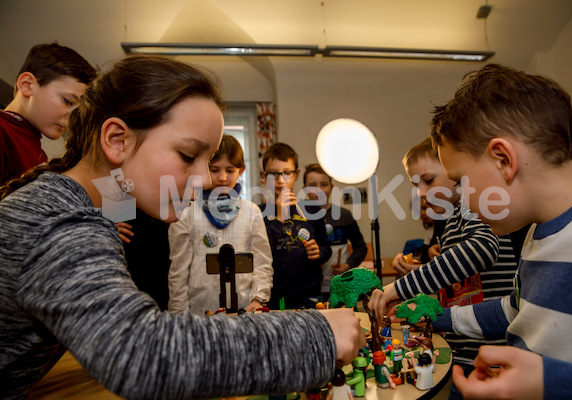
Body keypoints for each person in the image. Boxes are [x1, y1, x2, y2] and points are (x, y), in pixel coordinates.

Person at [0, 55, 365, 400]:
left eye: (208, 162)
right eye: (189, 156)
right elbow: (140, 354)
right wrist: (317, 335)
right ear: (116, 139)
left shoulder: (84, 202)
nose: (206, 179)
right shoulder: (60, 222)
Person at [429, 64, 572, 399]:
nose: (459, 196)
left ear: (503, 159)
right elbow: (515, 310)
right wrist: (436, 317)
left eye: (461, 180)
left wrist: (554, 382)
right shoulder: (535, 234)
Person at [370, 136, 519, 398]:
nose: (422, 193)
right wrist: (419, 279)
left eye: (428, 180)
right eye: (416, 185)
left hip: (492, 353)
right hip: (463, 351)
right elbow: (457, 280)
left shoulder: (474, 206)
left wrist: (399, 288)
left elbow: (481, 250)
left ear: (454, 172)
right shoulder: (450, 221)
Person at [168, 134, 273, 313]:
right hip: (200, 311)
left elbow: (262, 262)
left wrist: (258, 299)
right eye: (214, 170)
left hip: (245, 310)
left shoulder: (252, 211)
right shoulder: (185, 212)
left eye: (230, 170)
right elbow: (178, 270)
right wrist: (179, 316)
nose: (222, 178)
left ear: (241, 171)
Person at [0, 42, 96, 186]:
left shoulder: (38, 152)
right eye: (68, 101)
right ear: (27, 85)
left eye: (79, 110)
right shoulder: (3, 132)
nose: (73, 117)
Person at [260, 143, 332, 309]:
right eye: (273, 174)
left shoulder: (312, 209)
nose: (280, 180)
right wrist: (279, 216)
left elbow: (326, 249)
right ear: (264, 176)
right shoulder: (258, 212)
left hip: (309, 296)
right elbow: (261, 254)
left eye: (286, 173)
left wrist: (318, 252)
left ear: (296, 174)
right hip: (273, 298)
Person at [303, 163, 368, 300]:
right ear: (304, 190)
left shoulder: (344, 215)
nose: (319, 190)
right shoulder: (298, 219)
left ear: (332, 188)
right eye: (313, 185)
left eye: (324, 184)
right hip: (310, 289)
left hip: (341, 285)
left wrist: (348, 265)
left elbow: (361, 247)